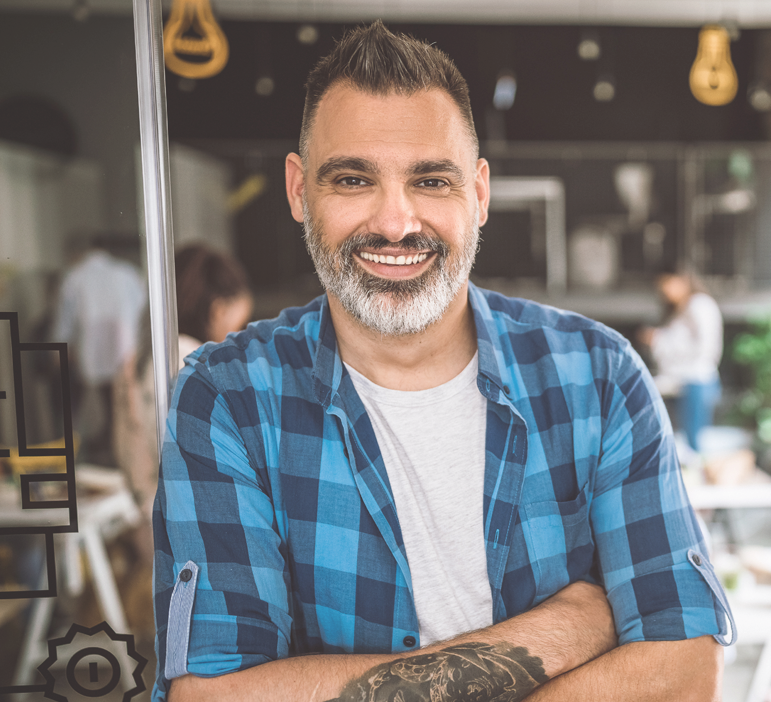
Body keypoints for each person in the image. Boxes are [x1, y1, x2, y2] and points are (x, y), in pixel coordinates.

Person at [153, 21, 733, 702]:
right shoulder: (226, 398)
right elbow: (211, 697)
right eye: (352, 179)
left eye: (430, 180)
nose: (396, 222)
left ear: (479, 195)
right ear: (298, 190)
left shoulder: (598, 377)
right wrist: (566, 630)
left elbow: (686, 672)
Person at [113, 245, 252, 566]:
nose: (240, 333)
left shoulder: (141, 358)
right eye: (240, 321)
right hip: (190, 532)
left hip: (148, 517)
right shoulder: (199, 364)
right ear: (218, 310)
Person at [51, 237, 147, 464]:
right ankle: (119, 461)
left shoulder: (74, 277)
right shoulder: (128, 273)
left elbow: (64, 322)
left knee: (75, 411)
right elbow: (144, 313)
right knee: (118, 411)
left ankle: (75, 460)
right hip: (125, 353)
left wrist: (59, 351)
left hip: (89, 356)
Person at [638, 272, 724, 453]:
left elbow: (705, 347)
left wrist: (658, 339)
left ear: (683, 280)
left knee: (694, 445)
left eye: (667, 284)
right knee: (680, 443)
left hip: (696, 381)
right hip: (680, 382)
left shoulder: (699, 304)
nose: (665, 291)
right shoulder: (678, 311)